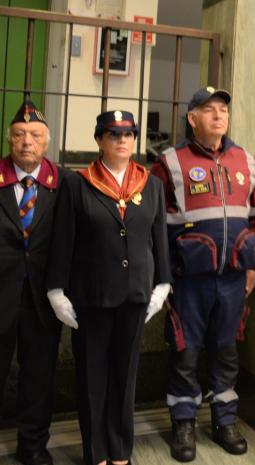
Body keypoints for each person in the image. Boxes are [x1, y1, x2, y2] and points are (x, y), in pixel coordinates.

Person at [47, 110, 171, 465]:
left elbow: (158, 238)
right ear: (99, 140)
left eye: (128, 134)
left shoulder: (151, 185)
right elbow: (62, 240)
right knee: (93, 378)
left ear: (135, 140)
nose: (121, 140)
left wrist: (162, 284)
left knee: (125, 377)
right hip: (91, 296)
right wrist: (56, 291)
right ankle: (97, 453)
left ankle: (120, 452)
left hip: (135, 297)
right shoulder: (78, 183)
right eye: (113, 134)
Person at [151, 87, 255, 462]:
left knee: (227, 350)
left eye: (223, 110)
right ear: (192, 117)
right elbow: (155, 225)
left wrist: (252, 265)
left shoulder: (245, 160)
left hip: (233, 277)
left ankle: (224, 420)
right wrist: (163, 276)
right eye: (208, 109)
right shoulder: (169, 162)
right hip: (189, 278)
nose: (218, 116)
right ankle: (183, 422)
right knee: (186, 352)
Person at [0, 100, 67, 465]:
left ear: (47, 142)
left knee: (38, 377)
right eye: (20, 134)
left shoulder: (64, 182)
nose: (27, 141)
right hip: (0, 294)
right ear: (9, 139)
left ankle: (33, 445)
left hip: (44, 299)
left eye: (35, 135)